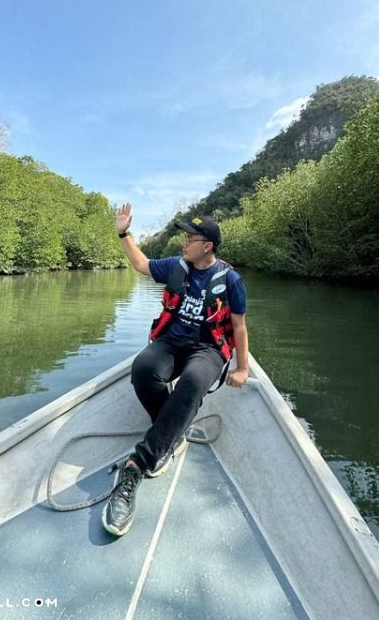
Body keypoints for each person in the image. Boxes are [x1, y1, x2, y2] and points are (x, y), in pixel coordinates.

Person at [102, 203, 250, 537]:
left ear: (207, 245)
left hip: (208, 349)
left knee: (194, 381)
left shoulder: (231, 280)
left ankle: (138, 464)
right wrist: (123, 233)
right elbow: (140, 263)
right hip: (172, 342)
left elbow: (239, 327)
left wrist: (242, 367)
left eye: (190, 238)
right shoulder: (175, 267)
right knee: (143, 368)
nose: (184, 242)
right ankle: (171, 432)